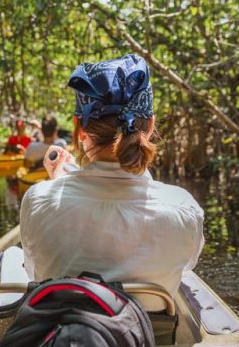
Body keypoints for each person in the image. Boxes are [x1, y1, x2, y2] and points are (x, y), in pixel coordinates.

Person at [20, 54, 204, 297]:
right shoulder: (183, 207)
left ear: (80, 129)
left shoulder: (38, 199)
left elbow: (36, 273)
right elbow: (187, 265)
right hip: (150, 334)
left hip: (64, 331)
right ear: (149, 126)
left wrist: (55, 185)